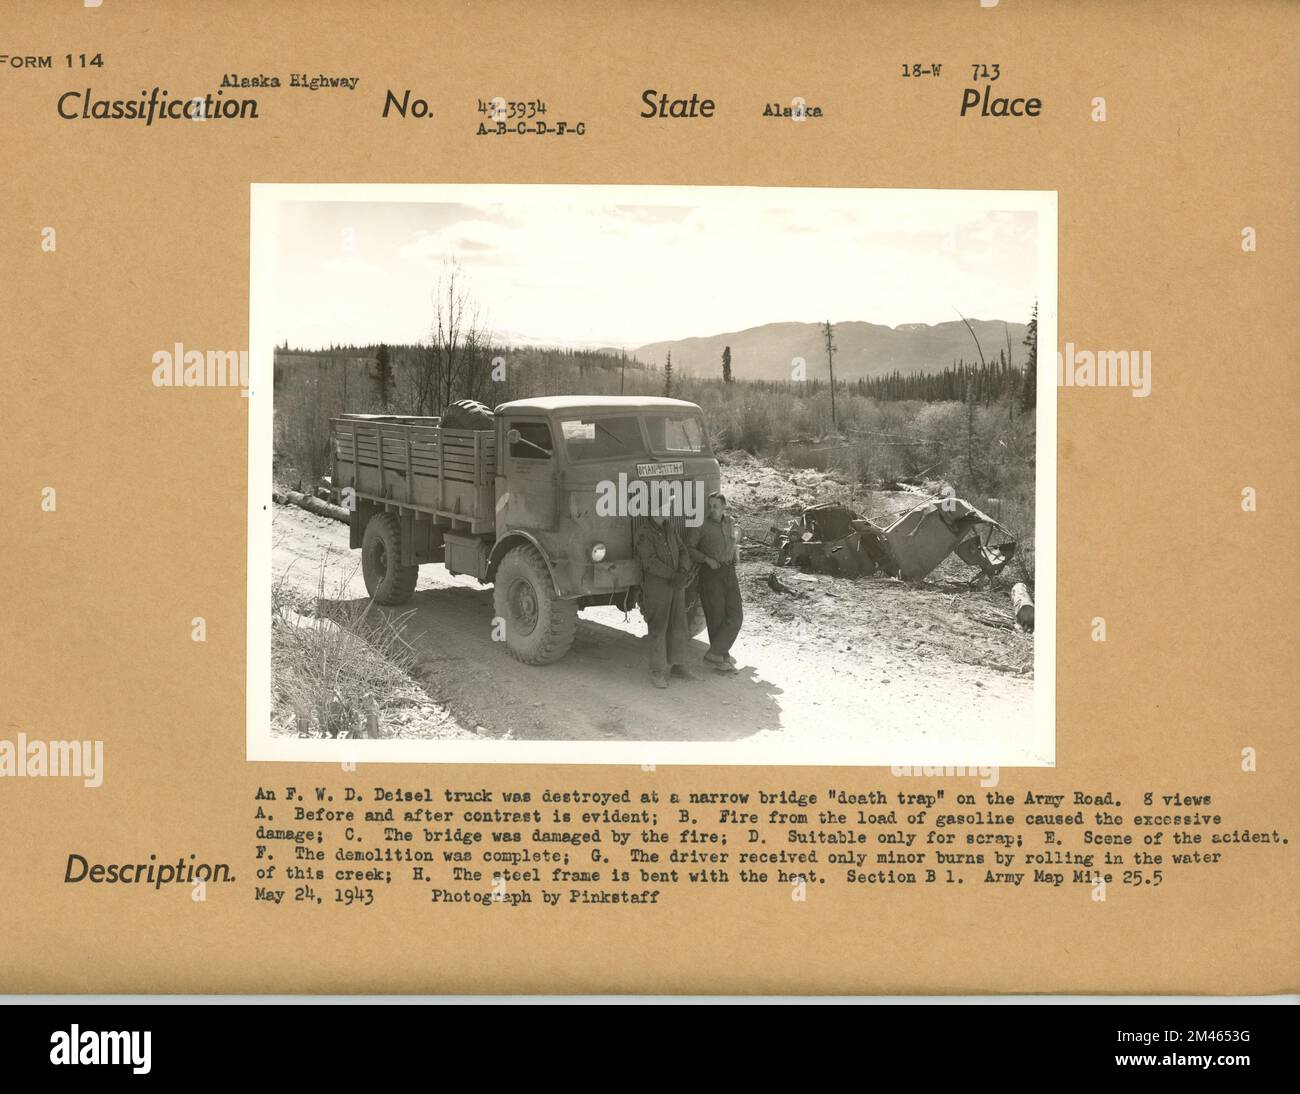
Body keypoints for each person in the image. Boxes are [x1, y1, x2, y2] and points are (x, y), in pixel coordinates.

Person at [634, 514, 698, 688]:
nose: (664, 511)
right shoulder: (644, 533)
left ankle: (678, 665)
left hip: (676, 584)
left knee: (678, 624)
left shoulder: (669, 528)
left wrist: (683, 570)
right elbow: (649, 562)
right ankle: (657, 671)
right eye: (660, 508)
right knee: (658, 628)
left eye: (665, 508)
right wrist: (673, 575)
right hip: (657, 586)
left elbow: (683, 549)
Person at [684, 492, 743, 672]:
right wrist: (706, 559)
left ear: (724, 506)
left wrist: (735, 553)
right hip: (711, 573)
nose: (712, 510)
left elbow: (733, 542)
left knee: (736, 615)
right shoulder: (702, 525)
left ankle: (715, 653)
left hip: (729, 571)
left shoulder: (730, 522)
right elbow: (689, 547)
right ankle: (721, 657)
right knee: (716, 616)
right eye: (710, 506)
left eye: (716, 506)